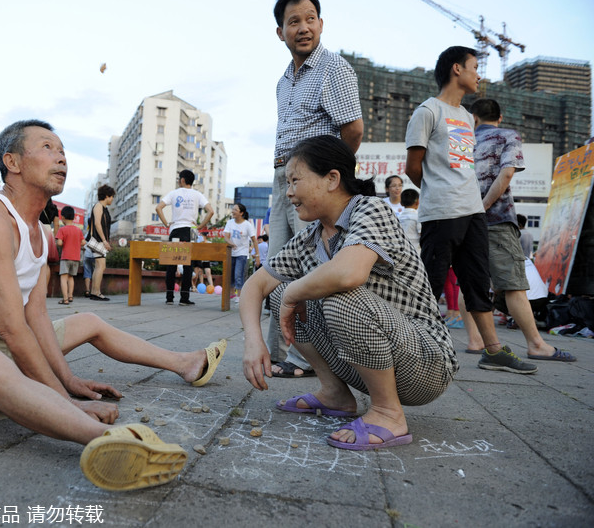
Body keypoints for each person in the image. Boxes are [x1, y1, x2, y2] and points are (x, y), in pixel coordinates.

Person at [0, 120, 226, 491]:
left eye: (62, 151)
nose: (60, 158)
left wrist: (68, 381)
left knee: (88, 319)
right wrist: (68, 402)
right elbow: (12, 328)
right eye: (47, 148)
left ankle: (185, 363)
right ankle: (105, 441)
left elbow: (36, 315)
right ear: (13, 162)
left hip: (5, 344)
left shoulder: (41, 232)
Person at [240, 135, 456, 450]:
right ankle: (335, 394)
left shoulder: (371, 209)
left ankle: (387, 413)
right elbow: (254, 285)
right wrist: (254, 340)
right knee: (282, 289)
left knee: (333, 295)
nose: (288, 193)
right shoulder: (310, 238)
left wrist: (292, 295)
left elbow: (349, 273)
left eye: (295, 180)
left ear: (332, 179)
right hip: (370, 360)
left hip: (425, 364)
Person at [404, 46, 536, 374]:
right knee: (431, 282)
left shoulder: (465, 116)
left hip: (473, 211)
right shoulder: (427, 111)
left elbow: (462, 166)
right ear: (456, 69)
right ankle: (406, 347)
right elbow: (412, 167)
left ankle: (492, 350)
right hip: (441, 212)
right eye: (475, 67)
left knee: (478, 281)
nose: (480, 74)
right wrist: (439, 190)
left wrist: (464, 195)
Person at [268, 0, 364, 377]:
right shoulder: (283, 81)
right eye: (294, 21)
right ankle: (281, 354)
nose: (303, 27)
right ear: (281, 32)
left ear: (321, 25)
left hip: (313, 180)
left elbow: (352, 130)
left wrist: (327, 175)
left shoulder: (334, 69)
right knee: (277, 267)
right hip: (282, 177)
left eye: (310, 19)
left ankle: (305, 361)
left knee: (312, 267)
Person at [458, 99, 575, 363]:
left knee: (471, 282)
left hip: (462, 219)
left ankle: (475, 341)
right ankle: (536, 344)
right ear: (499, 117)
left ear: (473, 117)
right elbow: (507, 173)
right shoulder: (508, 135)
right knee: (512, 284)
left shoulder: (461, 140)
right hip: (495, 219)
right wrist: (484, 206)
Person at [155, 169, 214, 306]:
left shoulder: (174, 193)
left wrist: (166, 224)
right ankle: (184, 298)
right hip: (192, 231)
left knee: (171, 263)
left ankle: (169, 297)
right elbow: (210, 211)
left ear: (182, 180)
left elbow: (158, 208)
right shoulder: (198, 194)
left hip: (175, 229)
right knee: (188, 264)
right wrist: (200, 226)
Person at [224, 203, 259, 303]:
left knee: (238, 274)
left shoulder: (247, 225)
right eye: (233, 209)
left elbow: (254, 240)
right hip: (231, 252)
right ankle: (231, 294)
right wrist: (231, 243)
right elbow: (226, 236)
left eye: (235, 210)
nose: (232, 211)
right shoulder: (230, 223)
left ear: (241, 213)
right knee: (230, 274)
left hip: (242, 253)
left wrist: (257, 255)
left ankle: (239, 296)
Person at [86, 185, 115, 301]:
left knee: (100, 266)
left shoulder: (103, 208)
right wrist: (104, 240)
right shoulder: (98, 206)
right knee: (100, 266)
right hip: (98, 240)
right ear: (107, 196)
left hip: (99, 240)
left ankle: (95, 292)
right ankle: (96, 292)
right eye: (112, 196)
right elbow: (97, 224)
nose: (112, 199)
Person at [55, 205, 85, 305]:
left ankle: (65, 299)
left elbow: (59, 243)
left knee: (63, 277)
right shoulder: (78, 230)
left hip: (65, 257)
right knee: (71, 277)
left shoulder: (62, 229)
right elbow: (83, 242)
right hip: (76, 258)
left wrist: (65, 243)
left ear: (62, 217)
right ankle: (70, 296)